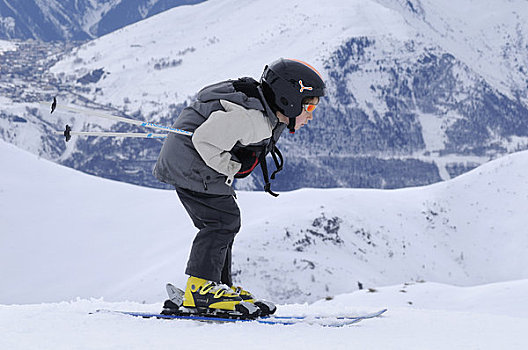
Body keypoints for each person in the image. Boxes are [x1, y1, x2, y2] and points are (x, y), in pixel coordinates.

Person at [153, 58, 326, 316]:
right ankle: (201, 288)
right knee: (222, 221)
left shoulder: (265, 114)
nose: (311, 115)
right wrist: (233, 165)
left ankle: (217, 286)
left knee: (224, 221)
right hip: (191, 165)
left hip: (196, 165)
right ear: (288, 99)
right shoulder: (252, 120)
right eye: (309, 106)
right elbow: (204, 139)